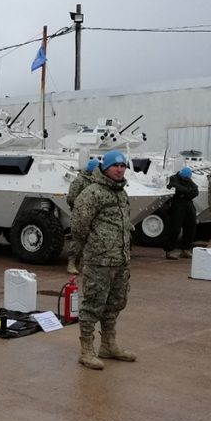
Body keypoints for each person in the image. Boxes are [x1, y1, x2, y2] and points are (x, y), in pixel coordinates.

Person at [69, 149, 135, 371]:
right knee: (92, 305)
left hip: (121, 259)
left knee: (115, 303)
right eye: (115, 166)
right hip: (99, 260)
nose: (119, 169)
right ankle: (86, 349)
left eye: (122, 165)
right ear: (105, 168)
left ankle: (108, 344)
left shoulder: (122, 194)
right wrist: (95, 246)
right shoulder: (92, 193)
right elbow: (79, 227)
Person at [65, 158, 99, 274]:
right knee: (77, 239)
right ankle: (71, 263)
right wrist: (79, 208)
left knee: (90, 240)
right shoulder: (80, 180)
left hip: (94, 214)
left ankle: (84, 265)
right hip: (80, 214)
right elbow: (71, 198)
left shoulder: (97, 181)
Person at [163, 166, 198, 260]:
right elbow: (174, 187)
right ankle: (169, 251)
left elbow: (195, 191)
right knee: (175, 228)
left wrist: (184, 193)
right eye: (186, 178)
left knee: (191, 226)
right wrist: (186, 192)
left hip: (188, 204)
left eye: (188, 178)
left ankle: (186, 249)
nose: (187, 180)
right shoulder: (173, 178)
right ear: (181, 175)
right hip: (177, 205)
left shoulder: (188, 180)